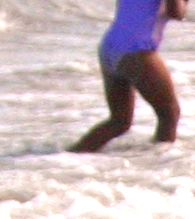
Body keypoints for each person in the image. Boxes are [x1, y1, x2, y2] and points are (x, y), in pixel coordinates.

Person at [71, 0, 188, 154]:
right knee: (169, 114)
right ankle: (160, 162)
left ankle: (70, 155)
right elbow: (176, 13)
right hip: (137, 49)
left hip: (110, 46)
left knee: (119, 121)